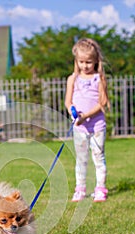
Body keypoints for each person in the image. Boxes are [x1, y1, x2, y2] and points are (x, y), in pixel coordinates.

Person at [65, 38, 110, 202]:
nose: (85, 65)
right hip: (80, 128)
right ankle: (80, 189)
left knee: (98, 157)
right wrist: (73, 112)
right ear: (76, 61)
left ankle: (100, 189)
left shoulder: (99, 78)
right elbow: (68, 101)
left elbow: (102, 102)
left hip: (97, 126)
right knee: (81, 159)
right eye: (81, 62)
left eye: (89, 62)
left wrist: (87, 116)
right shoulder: (72, 79)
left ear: (96, 61)